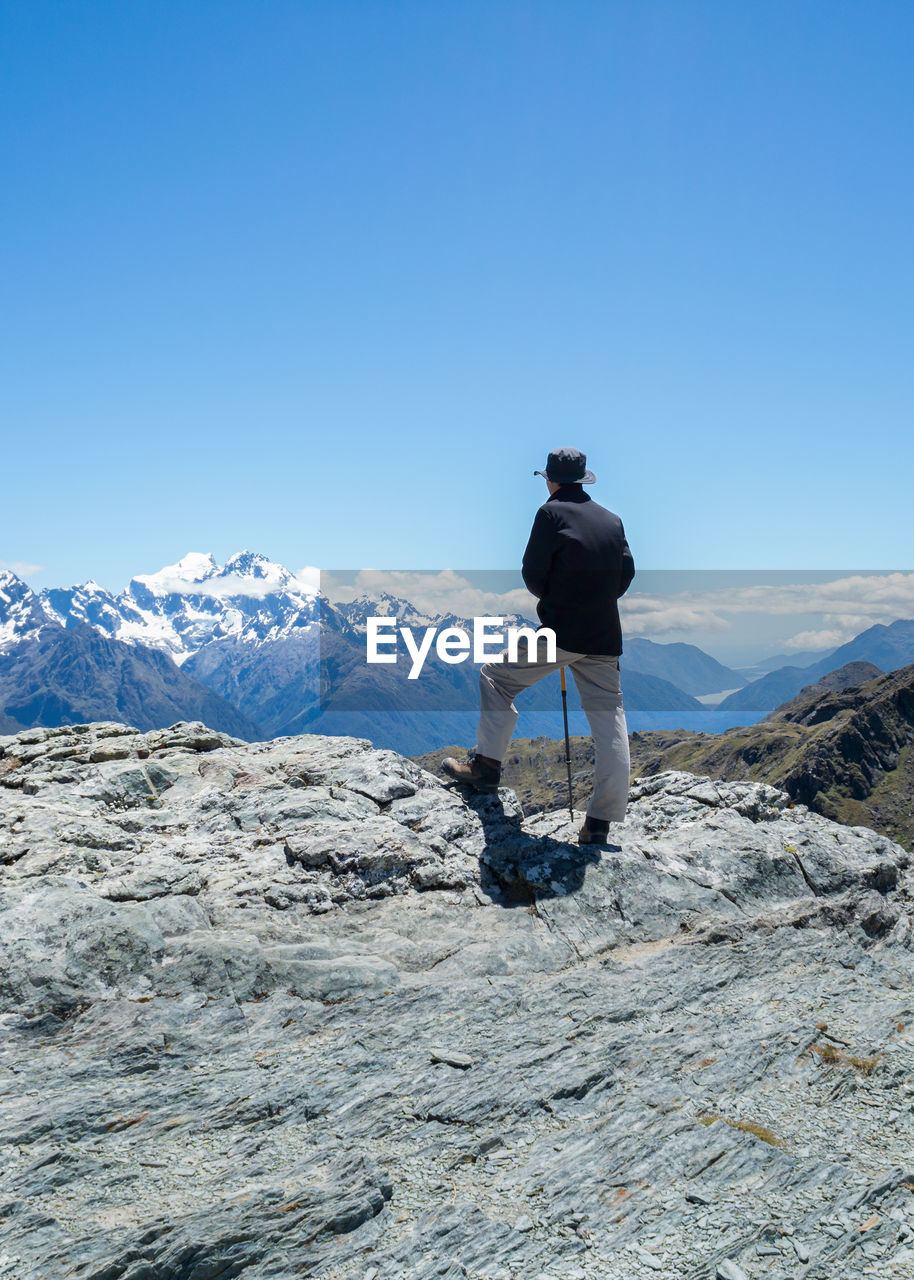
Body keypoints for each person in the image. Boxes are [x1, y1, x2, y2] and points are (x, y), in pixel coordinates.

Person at [441, 446, 634, 845]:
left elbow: (532, 572)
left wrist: (555, 601)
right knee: (609, 718)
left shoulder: (550, 513)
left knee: (495, 678)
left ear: (550, 479)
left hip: (562, 631)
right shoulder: (612, 520)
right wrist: (598, 602)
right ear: (583, 478)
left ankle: (487, 767)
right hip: (605, 635)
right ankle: (600, 821)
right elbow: (625, 573)